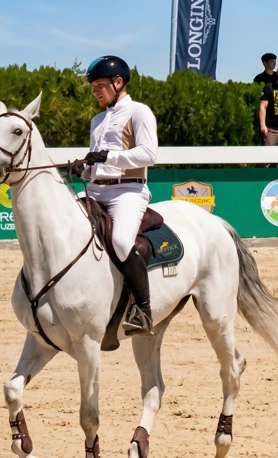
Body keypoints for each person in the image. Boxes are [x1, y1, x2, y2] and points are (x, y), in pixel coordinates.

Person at [75, 55, 158, 336]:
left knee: (122, 242)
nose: (95, 91)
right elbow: (97, 164)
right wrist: (83, 167)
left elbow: (149, 153)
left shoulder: (139, 112)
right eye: (93, 86)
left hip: (127, 190)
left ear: (118, 82)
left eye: (100, 85)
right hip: (97, 188)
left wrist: (109, 156)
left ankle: (143, 311)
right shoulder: (97, 120)